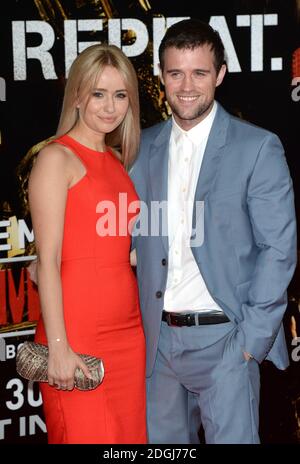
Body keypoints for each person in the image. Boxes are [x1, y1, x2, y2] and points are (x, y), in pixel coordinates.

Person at [130, 19, 297, 444]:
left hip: (226, 341)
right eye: (175, 73)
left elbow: (278, 248)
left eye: (199, 72)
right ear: (161, 76)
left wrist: (249, 343)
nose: (186, 85)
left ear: (220, 74)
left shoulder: (257, 147)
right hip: (159, 345)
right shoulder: (140, 148)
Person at [28, 44, 146, 444]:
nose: (109, 107)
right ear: (77, 96)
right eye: (98, 93)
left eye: (120, 94)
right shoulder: (55, 159)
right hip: (76, 334)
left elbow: (119, 246)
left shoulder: (116, 162)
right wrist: (58, 346)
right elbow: (47, 261)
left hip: (129, 335)